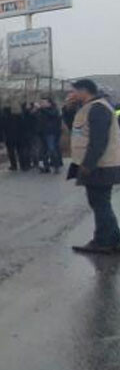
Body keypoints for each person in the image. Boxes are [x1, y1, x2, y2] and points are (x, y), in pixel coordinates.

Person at [65, 79, 120, 254]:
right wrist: (68, 109)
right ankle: (112, 238)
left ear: (84, 91)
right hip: (97, 165)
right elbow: (75, 129)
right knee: (99, 202)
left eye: (73, 91)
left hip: (101, 166)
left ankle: (104, 241)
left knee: (100, 202)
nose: (71, 94)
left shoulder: (98, 108)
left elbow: (98, 140)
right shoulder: (88, 108)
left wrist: (88, 164)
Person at [35, 97, 64, 174]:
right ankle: (46, 167)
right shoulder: (40, 111)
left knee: (51, 149)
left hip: (51, 133)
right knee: (43, 151)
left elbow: (52, 114)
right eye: (41, 102)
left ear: (49, 103)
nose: (42, 104)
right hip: (42, 133)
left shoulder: (54, 109)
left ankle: (56, 166)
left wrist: (41, 109)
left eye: (44, 102)